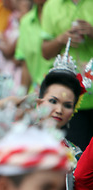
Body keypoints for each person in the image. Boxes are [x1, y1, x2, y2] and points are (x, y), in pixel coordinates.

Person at [40, 0, 93, 151]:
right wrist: (60, 39)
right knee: (74, 156)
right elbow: (45, 52)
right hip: (69, 102)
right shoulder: (51, 5)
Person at [14, 0, 53, 91]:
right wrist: (22, 95)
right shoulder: (26, 22)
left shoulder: (61, 16)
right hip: (36, 94)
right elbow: (26, 65)